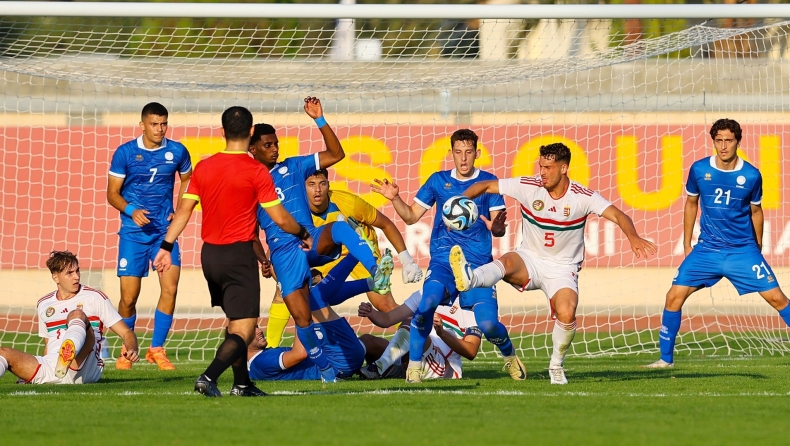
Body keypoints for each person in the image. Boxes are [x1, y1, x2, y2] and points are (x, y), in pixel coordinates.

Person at [451, 142, 657, 384]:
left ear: (564, 168)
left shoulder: (583, 197)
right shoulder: (528, 187)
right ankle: (470, 278)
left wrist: (633, 237)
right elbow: (484, 185)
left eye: (548, 167)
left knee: (567, 312)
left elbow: (619, 215)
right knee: (506, 260)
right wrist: (457, 203)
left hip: (563, 268)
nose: (543, 172)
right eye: (541, 166)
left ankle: (556, 366)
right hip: (530, 258)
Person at [153, 106, 312, 397]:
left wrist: (166, 246)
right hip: (239, 256)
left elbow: (183, 211)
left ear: (223, 132)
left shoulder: (204, 167)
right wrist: (302, 233)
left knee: (235, 323)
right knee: (245, 331)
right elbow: (279, 217)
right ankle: (208, 377)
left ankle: (242, 384)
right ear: (251, 133)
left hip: (210, 256)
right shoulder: (255, 171)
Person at [249, 97, 393, 383]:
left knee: (338, 227)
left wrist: (319, 119)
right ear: (252, 149)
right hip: (283, 253)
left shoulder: (294, 167)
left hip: (308, 240)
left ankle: (376, 273)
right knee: (304, 316)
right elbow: (250, 234)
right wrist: (263, 260)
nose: (275, 148)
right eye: (267, 145)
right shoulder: (249, 185)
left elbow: (336, 153)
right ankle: (323, 368)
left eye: (276, 143)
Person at [372, 128, 524, 384]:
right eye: (458, 152)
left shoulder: (488, 182)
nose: (463, 158)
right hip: (443, 259)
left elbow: (498, 229)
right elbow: (410, 216)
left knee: (488, 326)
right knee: (427, 302)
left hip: (477, 266)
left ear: (477, 153)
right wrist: (395, 198)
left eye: (468, 152)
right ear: (451, 153)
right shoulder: (437, 181)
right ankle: (415, 368)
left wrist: (497, 227)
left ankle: (509, 356)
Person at [644, 118, 790, 369]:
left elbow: (756, 212)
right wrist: (687, 242)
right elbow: (691, 203)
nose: (723, 146)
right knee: (673, 297)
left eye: (729, 140)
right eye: (718, 140)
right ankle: (665, 360)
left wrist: (757, 247)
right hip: (707, 250)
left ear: (738, 142)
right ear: (713, 141)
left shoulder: (752, 175)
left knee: (778, 299)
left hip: (742, 251)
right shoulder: (699, 169)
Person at [265, 168, 423, 347]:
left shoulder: (347, 202)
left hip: (360, 252)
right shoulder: (293, 209)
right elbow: (279, 246)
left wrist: (406, 260)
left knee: (384, 305)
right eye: (311, 184)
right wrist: (268, 263)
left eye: (322, 183)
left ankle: (426, 341)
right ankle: (268, 350)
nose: (317, 190)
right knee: (286, 289)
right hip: (326, 255)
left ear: (328, 185)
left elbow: (386, 224)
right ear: (302, 188)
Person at [107, 102, 191, 371]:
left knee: (171, 288)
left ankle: (156, 349)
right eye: (154, 124)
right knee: (129, 298)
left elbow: (188, 180)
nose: (159, 129)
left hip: (164, 235)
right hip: (134, 234)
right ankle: (127, 350)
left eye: (163, 123)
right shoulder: (125, 153)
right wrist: (131, 210)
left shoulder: (177, 151)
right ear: (142, 124)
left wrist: (179, 209)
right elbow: (112, 194)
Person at [0, 251, 139, 384]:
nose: (77, 276)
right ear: (55, 277)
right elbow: (48, 344)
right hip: (54, 367)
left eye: (77, 271)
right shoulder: (44, 304)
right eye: (70, 273)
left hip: (85, 367)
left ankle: (67, 356)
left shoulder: (94, 297)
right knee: (4, 353)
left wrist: (132, 348)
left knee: (76, 314)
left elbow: (126, 332)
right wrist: (29, 374)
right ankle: (57, 367)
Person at [247, 255, 370, 381]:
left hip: (337, 358)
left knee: (369, 341)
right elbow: (300, 353)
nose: (260, 331)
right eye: (253, 330)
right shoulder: (261, 361)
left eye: (256, 327)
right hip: (338, 364)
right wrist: (300, 314)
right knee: (314, 299)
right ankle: (359, 262)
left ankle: (382, 365)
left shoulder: (257, 363)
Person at [357, 291, 482, 380]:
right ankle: (343, 369)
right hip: (408, 358)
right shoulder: (424, 293)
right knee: (367, 340)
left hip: (442, 365)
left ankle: (379, 368)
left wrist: (441, 333)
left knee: (413, 322)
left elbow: (471, 351)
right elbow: (387, 319)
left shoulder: (469, 305)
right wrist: (371, 313)